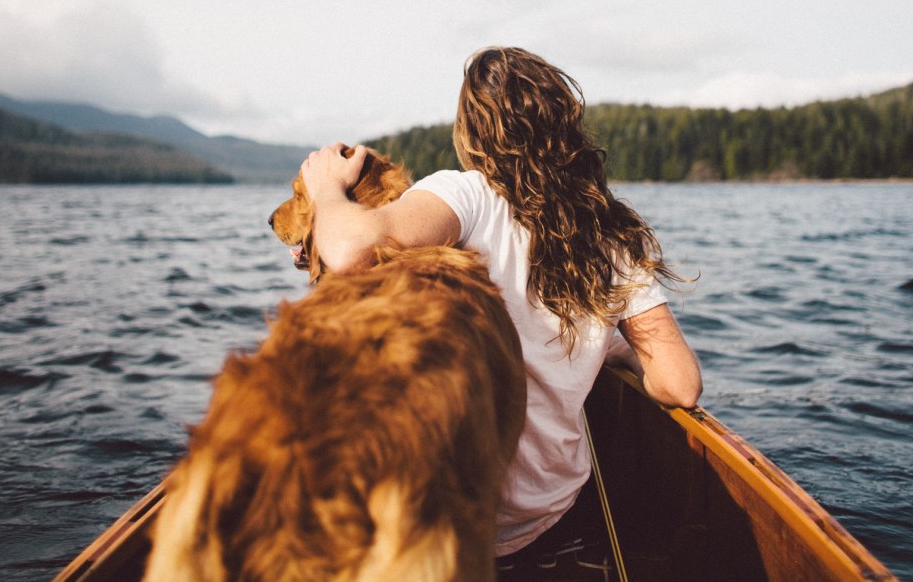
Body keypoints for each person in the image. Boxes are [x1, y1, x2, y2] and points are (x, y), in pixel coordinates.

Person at [299, 46, 702, 575]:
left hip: (456, 532)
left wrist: (327, 191)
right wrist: (614, 348)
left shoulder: (466, 196)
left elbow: (352, 251)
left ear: (471, 132)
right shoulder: (612, 235)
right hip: (555, 517)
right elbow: (679, 384)